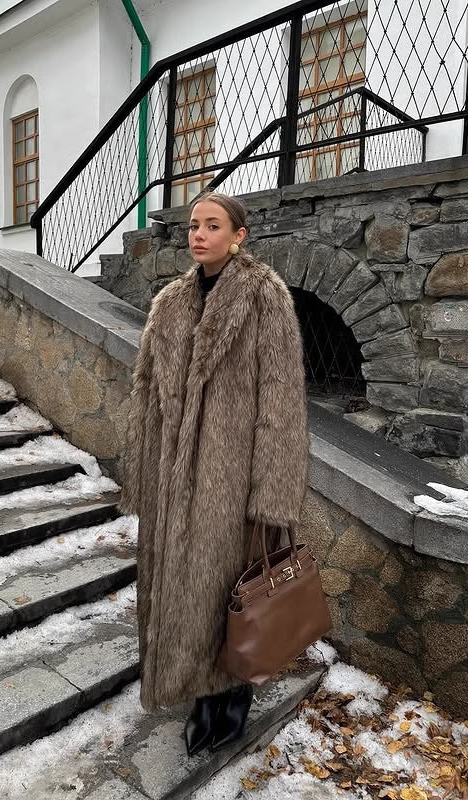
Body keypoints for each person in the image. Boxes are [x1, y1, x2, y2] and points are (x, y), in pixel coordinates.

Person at [119, 191, 309, 756]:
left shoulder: (264, 297)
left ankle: (233, 693)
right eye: (194, 226)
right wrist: (145, 474)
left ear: (238, 235)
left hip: (234, 478)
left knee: (230, 590)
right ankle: (200, 691)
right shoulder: (169, 303)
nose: (199, 235)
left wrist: (271, 493)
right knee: (186, 592)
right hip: (174, 475)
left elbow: (281, 401)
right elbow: (146, 393)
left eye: (212, 226)